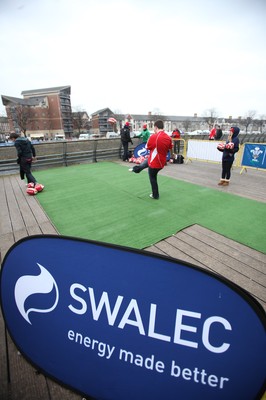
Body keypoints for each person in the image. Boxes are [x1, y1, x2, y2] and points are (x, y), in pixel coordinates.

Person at [129, 120, 172, 199]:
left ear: (155, 127)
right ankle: (136, 169)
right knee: (145, 163)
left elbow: (147, 147)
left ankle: (155, 195)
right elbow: (169, 148)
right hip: (161, 162)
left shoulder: (154, 137)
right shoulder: (168, 137)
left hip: (154, 163)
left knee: (152, 178)